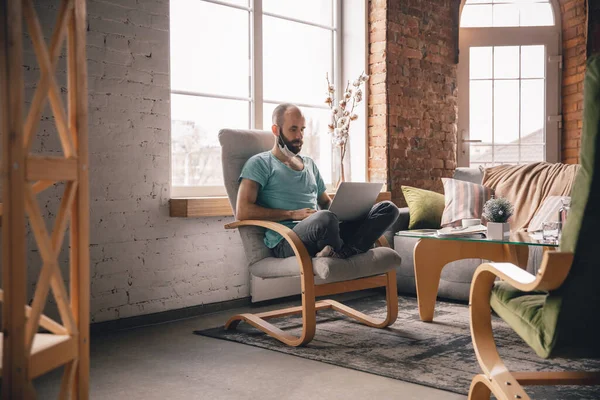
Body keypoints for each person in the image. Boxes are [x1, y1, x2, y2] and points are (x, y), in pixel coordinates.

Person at [236, 103, 399, 259]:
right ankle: (346, 249)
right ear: (275, 130)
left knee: (388, 208)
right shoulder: (260, 163)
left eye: (302, 130)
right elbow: (243, 211)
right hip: (289, 240)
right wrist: (293, 214)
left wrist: (354, 211)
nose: (299, 136)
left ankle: (344, 252)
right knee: (325, 218)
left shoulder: (309, 164)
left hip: (325, 232)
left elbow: (326, 203)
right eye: (293, 129)